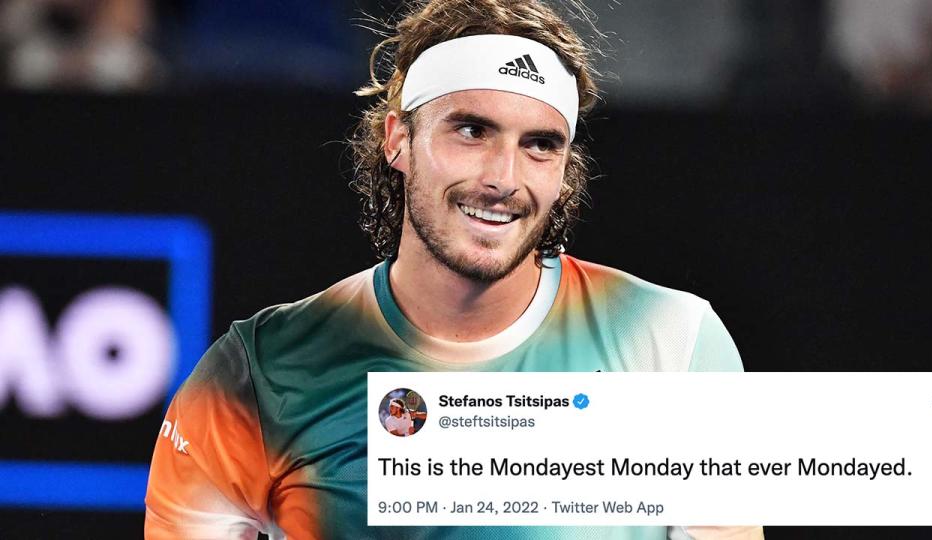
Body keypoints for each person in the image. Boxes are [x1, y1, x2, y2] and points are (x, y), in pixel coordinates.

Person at [144, 1, 763, 538]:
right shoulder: (254, 376)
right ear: (398, 141)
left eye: (540, 144)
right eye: (471, 130)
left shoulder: (671, 340)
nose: (504, 179)